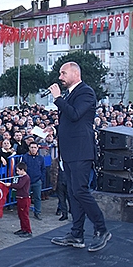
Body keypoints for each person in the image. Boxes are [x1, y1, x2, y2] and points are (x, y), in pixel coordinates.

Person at [49, 62, 111, 252]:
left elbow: (75, 115)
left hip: (81, 151)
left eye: (63, 73)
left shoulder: (86, 92)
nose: (60, 77)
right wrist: (53, 129)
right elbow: (70, 122)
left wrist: (58, 99)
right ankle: (77, 234)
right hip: (69, 151)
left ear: (75, 73)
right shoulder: (70, 94)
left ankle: (101, 229)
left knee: (81, 191)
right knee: (73, 193)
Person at [19, 142, 45, 220]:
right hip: (27, 182)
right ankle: (24, 213)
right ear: (29, 148)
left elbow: (43, 169)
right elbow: (22, 169)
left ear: (37, 148)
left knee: (37, 198)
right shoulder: (25, 157)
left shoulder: (41, 158)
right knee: (25, 198)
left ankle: (37, 212)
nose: (33, 149)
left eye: (35, 147)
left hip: (37, 181)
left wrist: (41, 179)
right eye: (32, 147)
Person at [11, 162, 32, 237]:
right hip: (20, 198)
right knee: (21, 215)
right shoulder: (22, 177)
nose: (17, 172)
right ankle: (23, 228)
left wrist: (10, 185)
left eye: (18, 170)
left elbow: (19, 186)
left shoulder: (25, 177)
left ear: (22, 170)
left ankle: (28, 230)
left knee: (24, 215)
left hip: (24, 198)